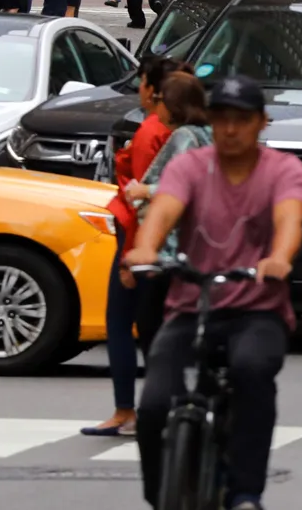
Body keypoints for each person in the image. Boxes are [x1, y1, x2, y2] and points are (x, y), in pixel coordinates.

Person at [126, 74, 302, 510]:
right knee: (153, 407)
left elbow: (289, 217)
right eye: (222, 118)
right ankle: (162, 495)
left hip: (257, 310)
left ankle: (245, 493)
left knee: (250, 372)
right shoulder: (190, 166)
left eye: (241, 119)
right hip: (192, 307)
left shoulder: (282, 170)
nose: (230, 129)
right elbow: (164, 209)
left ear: (261, 122)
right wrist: (146, 248)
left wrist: (279, 257)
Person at [83, 57, 188, 438]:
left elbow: (140, 203)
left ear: (153, 90)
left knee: (123, 325)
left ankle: (126, 410)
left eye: (143, 82)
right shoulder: (186, 132)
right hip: (169, 243)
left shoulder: (152, 132)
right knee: (157, 330)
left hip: (140, 240)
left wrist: (131, 256)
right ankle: (167, 407)